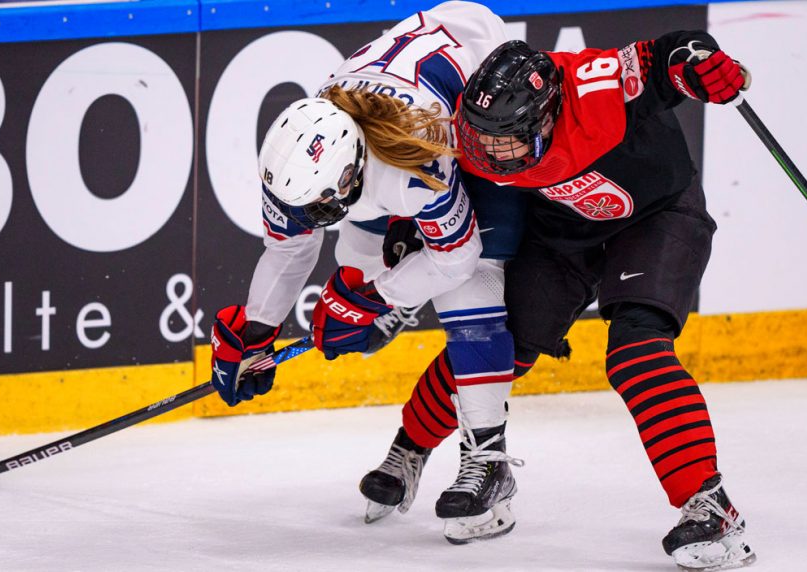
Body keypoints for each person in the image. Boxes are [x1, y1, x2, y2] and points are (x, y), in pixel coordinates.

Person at [208, 1, 527, 545]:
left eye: (321, 206)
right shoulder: (298, 162)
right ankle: (395, 299)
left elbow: (459, 255)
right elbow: (289, 249)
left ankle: (489, 463)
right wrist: (258, 330)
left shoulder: (414, 163)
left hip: (469, 107)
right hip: (393, 116)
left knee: (468, 294)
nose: (307, 216)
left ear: (354, 171)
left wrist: (377, 298)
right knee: (353, 264)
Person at [442, 33, 755, 570]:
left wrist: (705, 66)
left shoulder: (595, 88)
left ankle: (710, 505)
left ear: (546, 116)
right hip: (565, 230)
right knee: (493, 345)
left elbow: (669, 56)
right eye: (483, 137)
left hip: (656, 214)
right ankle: (411, 454)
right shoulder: (482, 128)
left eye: (505, 140)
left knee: (635, 350)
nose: (488, 152)